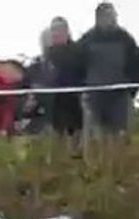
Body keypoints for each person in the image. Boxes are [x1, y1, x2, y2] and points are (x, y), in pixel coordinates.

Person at [77, 2, 139, 140]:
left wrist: (131, 91)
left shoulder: (125, 39)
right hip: (94, 99)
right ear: (97, 17)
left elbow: (137, 65)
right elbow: (77, 66)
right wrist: (85, 89)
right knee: (96, 139)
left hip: (119, 98)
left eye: (111, 15)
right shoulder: (87, 40)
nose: (109, 18)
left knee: (120, 139)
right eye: (105, 16)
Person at [44, 17, 87, 145]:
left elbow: (84, 74)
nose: (56, 33)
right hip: (55, 104)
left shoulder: (77, 51)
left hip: (75, 102)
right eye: (53, 30)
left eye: (59, 29)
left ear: (66, 31)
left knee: (75, 142)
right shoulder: (49, 53)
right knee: (57, 142)